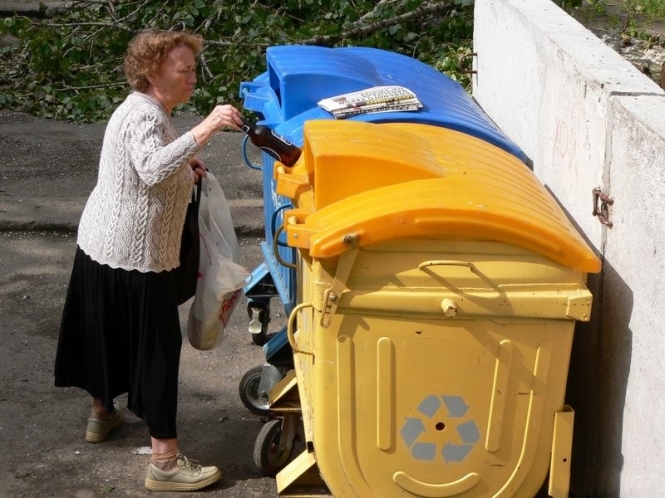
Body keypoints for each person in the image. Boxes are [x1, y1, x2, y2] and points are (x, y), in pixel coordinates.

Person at [54, 29, 244, 492]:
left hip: (104, 245)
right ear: (153, 72)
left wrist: (189, 162)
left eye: (194, 68)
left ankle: (102, 414)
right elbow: (152, 168)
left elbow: (158, 165)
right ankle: (164, 462)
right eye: (184, 70)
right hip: (136, 254)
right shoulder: (143, 114)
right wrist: (208, 128)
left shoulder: (151, 110)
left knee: (106, 331)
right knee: (157, 353)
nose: (193, 77)